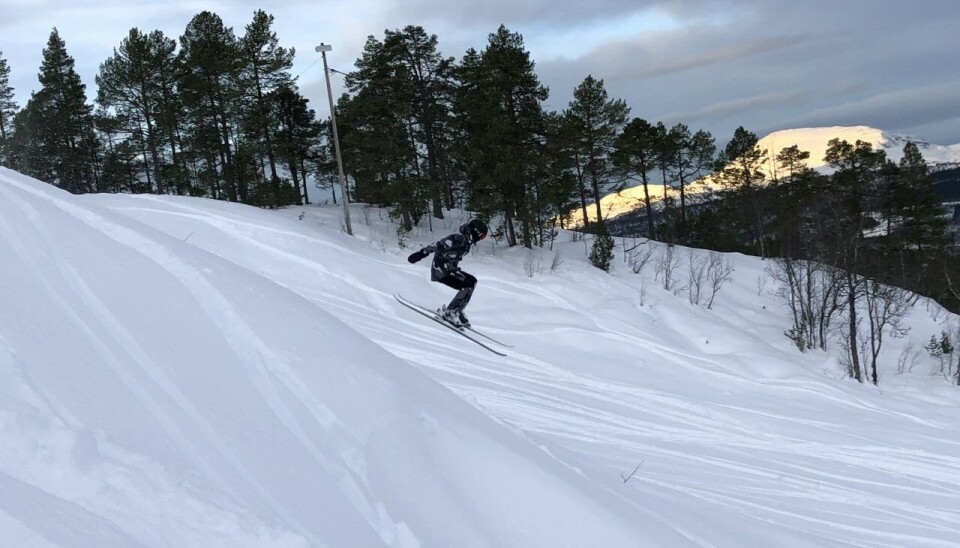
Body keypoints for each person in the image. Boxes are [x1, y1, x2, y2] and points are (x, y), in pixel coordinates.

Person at [407, 219, 489, 327]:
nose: (481, 239)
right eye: (482, 236)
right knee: (468, 284)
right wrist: (421, 254)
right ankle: (451, 312)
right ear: (475, 232)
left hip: (450, 270)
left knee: (472, 281)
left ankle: (457, 310)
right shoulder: (458, 239)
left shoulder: (466, 243)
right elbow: (438, 244)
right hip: (441, 270)